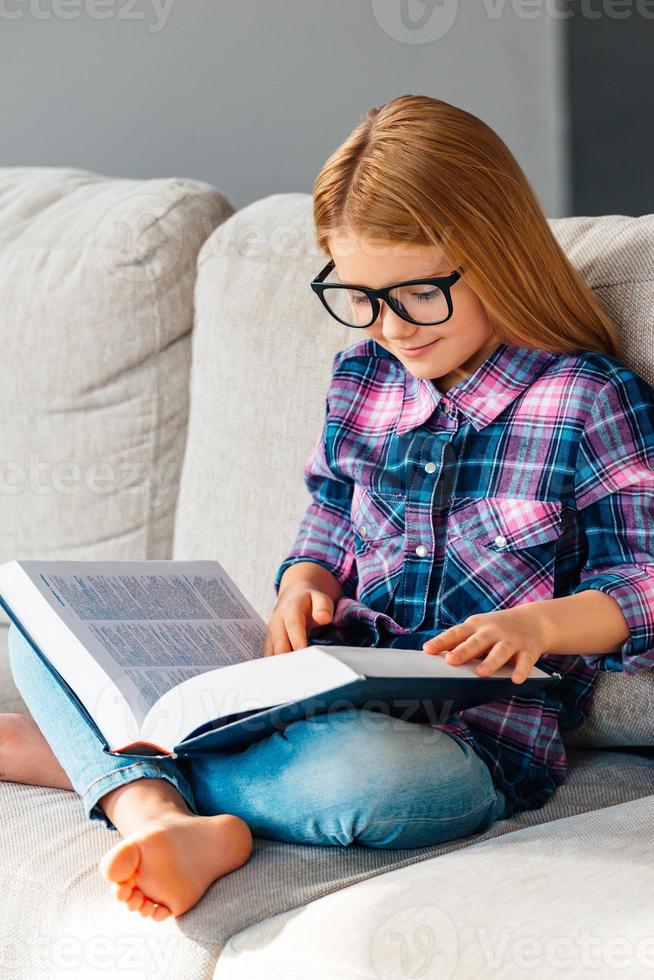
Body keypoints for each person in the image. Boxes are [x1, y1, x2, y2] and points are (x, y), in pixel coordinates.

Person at [2, 94, 654, 924]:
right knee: (41, 633)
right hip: (315, 691)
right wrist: (304, 577)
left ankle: (111, 769)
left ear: (496, 254)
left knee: (378, 785)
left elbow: (643, 577)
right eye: (359, 297)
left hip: (463, 740)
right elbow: (331, 515)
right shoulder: (363, 379)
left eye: (417, 293)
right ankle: (156, 806)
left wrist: (543, 627)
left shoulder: (587, 398)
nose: (390, 327)